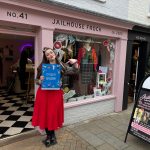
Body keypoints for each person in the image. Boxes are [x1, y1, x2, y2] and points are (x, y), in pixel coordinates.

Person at [32, 47, 78, 147]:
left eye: (51, 52)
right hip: (44, 94)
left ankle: (52, 135)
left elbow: (74, 71)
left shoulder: (61, 65)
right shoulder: (42, 67)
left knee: (52, 114)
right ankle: (49, 136)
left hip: (55, 94)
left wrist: (75, 62)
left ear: (55, 53)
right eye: (47, 54)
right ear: (46, 57)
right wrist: (40, 80)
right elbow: (36, 82)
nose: (50, 55)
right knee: (45, 114)